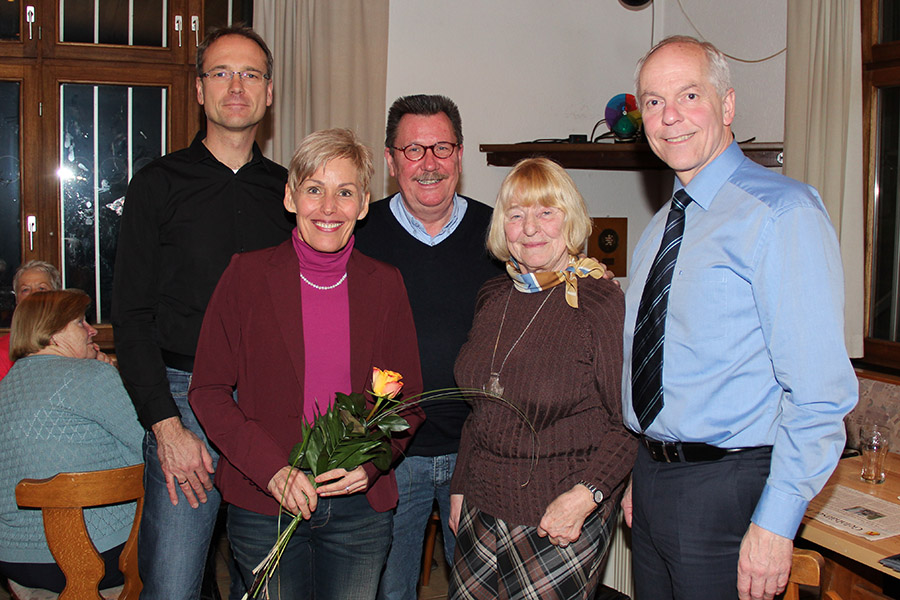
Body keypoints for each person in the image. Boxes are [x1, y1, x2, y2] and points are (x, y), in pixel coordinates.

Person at [621, 36, 858, 600]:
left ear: (727, 106)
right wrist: (640, 470)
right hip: (653, 484)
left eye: (688, 95)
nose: (669, 116)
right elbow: (658, 364)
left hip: (729, 491)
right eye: (652, 102)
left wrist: (776, 521)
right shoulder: (658, 229)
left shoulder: (782, 214)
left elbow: (819, 394)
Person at [189, 128, 425, 599]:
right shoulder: (246, 276)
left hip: (359, 510)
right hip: (264, 502)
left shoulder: (385, 284)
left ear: (363, 204)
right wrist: (272, 469)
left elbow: (410, 400)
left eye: (345, 192)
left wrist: (375, 462)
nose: (328, 207)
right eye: (314, 189)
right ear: (290, 197)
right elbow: (208, 391)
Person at [111, 25, 292, 599]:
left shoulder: (292, 194)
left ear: (269, 92)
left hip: (268, 409)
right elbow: (131, 316)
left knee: (268, 585)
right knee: (173, 584)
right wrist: (166, 427)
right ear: (198, 90)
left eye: (251, 74)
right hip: (183, 405)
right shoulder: (157, 185)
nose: (236, 86)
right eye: (221, 73)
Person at [447, 157, 636, 599]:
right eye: (516, 214)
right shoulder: (493, 296)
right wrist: (460, 487)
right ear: (502, 227)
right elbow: (480, 408)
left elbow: (627, 422)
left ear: (570, 220)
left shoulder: (599, 303)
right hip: (481, 505)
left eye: (546, 212)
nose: (530, 228)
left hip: (559, 514)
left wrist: (585, 496)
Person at [354, 94, 504, 600]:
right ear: (392, 160)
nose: (429, 163)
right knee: (388, 591)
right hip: (392, 453)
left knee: (482, 590)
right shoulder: (359, 233)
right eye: (413, 150)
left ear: (460, 155)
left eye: (442, 147)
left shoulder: (501, 234)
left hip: (479, 451)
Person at [0, 289, 143, 592]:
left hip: (15, 558)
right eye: (80, 322)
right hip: (98, 554)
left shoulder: (6, 387)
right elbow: (146, 450)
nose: (92, 330)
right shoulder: (92, 375)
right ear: (51, 333)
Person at [1, 261, 62, 380]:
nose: (34, 295)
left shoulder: (71, 343)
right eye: (25, 290)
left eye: (41, 288)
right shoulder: (2, 351)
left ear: (57, 295)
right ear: (17, 300)